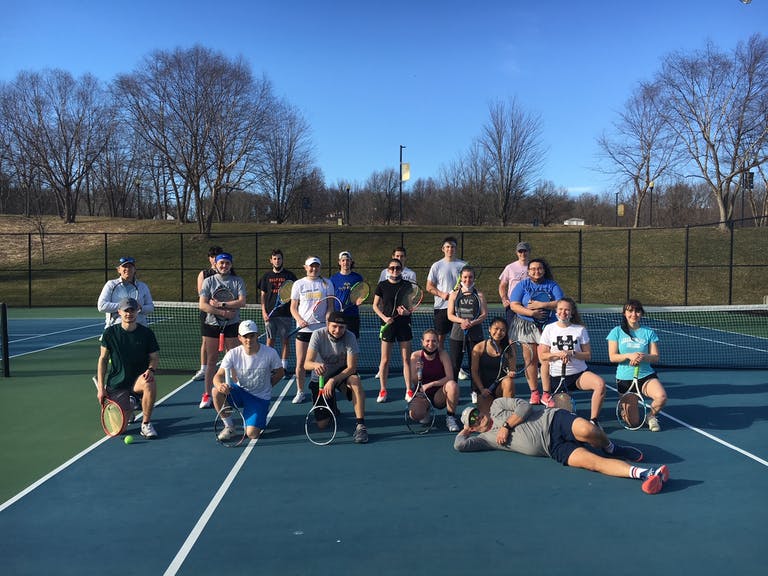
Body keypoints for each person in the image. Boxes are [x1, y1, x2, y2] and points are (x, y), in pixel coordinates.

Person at [454, 399, 670, 494]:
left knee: (589, 431)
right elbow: (459, 446)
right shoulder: (484, 439)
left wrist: (507, 426)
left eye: (476, 413)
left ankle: (611, 446)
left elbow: (525, 405)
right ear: (472, 428)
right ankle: (647, 474)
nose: (478, 418)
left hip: (554, 420)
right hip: (553, 449)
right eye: (472, 421)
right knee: (593, 463)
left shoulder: (497, 406)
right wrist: (465, 430)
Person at [96, 297, 160, 439]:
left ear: (137, 311)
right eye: (126, 311)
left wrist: (150, 370)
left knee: (150, 382)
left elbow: (154, 358)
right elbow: (103, 360)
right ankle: (130, 404)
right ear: (119, 312)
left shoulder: (146, 333)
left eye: (132, 310)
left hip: (138, 381)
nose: (129, 314)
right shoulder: (110, 333)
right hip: (117, 384)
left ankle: (146, 424)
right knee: (121, 430)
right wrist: (101, 388)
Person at [212, 320, 284, 441]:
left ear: (257, 335)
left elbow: (280, 373)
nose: (249, 340)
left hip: (260, 398)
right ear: (239, 338)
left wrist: (268, 386)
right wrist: (220, 385)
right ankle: (229, 427)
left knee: (252, 434)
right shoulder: (232, 354)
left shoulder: (270, 353)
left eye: (252, 336)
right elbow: (218, 375)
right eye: (245, 336)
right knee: (215, 392)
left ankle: (259, 413)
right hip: (239, 392)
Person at [539, 298, 606, 427]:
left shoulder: (580, 329)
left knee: (600, 384)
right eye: (560, 309)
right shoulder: (549, 329)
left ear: (572, 312)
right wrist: (558, 354)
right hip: (558, 379)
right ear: (556, 311)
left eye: (567, 310)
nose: (563, 312)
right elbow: (543, 355)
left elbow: (588, 355)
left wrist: (572, 353)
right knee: (566, 422)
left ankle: (594, 421)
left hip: (579, 375)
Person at [304, 311, 369, 443]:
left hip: (341, 373)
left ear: (346, 327)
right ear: (327, 324)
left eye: (341, 327)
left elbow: (352, 368)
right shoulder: (317, 334)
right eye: (334, 326)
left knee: (355, 381)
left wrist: (333, 381)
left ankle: (360, 426)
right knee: (322, 424)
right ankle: (332, 405)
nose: (337, 330)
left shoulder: (350, 337)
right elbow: (306, 363)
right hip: (321, 378)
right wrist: (316, 365)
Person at [606, 299, 668, 432]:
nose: (633, 314)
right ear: (624, 313)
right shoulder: (616, 332)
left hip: (646, 375)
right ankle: (625, 410)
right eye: (630, 311)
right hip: (625, 378)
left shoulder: (649, 332)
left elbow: (655, 357)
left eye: (637, 311)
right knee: (633, 423)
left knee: (661, 397)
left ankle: (650, 416)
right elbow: (612, 357)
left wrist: (642, 356)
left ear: (641, 314)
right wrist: (629, 355)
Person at [508, 258, 564, 406]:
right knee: (530, 360)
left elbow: (561, 303)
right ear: (528, 271)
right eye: (532, 269)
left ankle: (546, 394)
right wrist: (531, 313)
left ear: (544, 270)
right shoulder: (523, 285)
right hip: (526, 325)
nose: (536, 271)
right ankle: (534, 393)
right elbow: (514, 305)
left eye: (539, 268)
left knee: (545, 359)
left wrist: (543, 305)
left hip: (548, 326)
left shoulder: (552, 285)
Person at [198, 252, 247, 409]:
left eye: (227, 263)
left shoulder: (237, 281)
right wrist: (222, 312)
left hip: (232, 325)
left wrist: (222, 304)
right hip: (211, 325)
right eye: (221, 263)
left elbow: (242, 302)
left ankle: (236, 392)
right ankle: (207, 394)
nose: (224, 266)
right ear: (216, 265)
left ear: (231, 265)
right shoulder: (208, 281)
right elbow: (203, 305)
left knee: (233, 360)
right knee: (211, 361)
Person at [289, 256, 334, 404]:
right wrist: (300, 320)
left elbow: (330, 307)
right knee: (301, 363)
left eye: (316, 266)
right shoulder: (298, 284)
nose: (314, 269)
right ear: (305, 267)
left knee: (322, 364)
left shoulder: (327, 283)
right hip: (303, 330)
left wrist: (328, 320)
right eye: (311, 266)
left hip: (321, 330)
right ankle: (300, 391)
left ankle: (322, 390)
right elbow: (293, 308)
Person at [373, 258, 414, 402]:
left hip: (404, 325)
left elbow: (410, 306)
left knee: (406, 360)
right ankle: (383, 390)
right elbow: (375, 306)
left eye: (397, 268)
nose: (395, 270)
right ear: (388, 270)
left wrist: (406, 312)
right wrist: (384, 318)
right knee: (384, 360)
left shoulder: (407, 285)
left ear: (401, 269)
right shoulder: (382, 285)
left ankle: (409, 390)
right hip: (388, 326)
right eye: (392, 268)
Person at [409, 328, 461, 431]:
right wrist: (418, 371)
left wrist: (430, 384)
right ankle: (426, 410)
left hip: (439, 394)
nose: (431, 344)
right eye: (427, 341)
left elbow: (450, 377)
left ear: (438, 342)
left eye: (434, 341)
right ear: (422, 342)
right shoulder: (415, 356)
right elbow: (414, 381)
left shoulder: (443, 354)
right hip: (422, 393)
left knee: (452, 385)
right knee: (415, 415)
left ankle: (450, 417)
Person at [446, 265, 487, 393]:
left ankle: (474, 391)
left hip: (476, 335)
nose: (467, 280)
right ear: (461, 278)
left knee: (475, 365)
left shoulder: (479, 294)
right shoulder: (454, 294)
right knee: (454, 365)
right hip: (457, 335)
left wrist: (473, 322)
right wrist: (462, 321)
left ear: (474, 278)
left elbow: (484, 314)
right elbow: (450, 315)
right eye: (465, 277)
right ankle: (453, 391)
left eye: (470, 277)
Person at [426, 236, 467, 354]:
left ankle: (457, 367)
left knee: (458, 340)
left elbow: (469, 284)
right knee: (439, 340)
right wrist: (441, 294)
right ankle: (439, 365)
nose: (450, 249)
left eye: (452, 247)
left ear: (456, 249)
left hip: (459, 307)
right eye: (447, 247)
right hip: (441, 307)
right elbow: (429, 287)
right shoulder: (436, 266)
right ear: (443, 249)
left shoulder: (463, 265)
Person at [193, 246, 229, 381]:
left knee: (228, 342)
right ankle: (204, 368)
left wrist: (222, 305)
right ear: (209, 259)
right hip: (207, 313)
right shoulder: (204, 274)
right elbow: (201, 294)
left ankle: (227, 368)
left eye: (217, 256)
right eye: (212, 256)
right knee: (205, 342)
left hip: (225, 313)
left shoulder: (228, 273)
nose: (214, 259)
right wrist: (213, 305)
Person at [258, 248, 297, 371]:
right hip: (270, 315)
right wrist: (264, 312)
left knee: (285, 340)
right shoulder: (266, 276)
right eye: (274, 259)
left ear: (282, 260)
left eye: (279, 258)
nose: (277, 261)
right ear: (271, 260)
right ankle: (270, 366)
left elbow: (295, 295)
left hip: (285, 314)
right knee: (270, 341)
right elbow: (263, 296)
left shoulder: (290, 276)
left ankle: (284, 366)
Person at [471, 317, 516, 413]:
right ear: (489, 329)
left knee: (509, 381)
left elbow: (512, 369)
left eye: (502, 330)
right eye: (496, 329)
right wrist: (482, 389)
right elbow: (474, 371)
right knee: (486, 422)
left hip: (501, 388)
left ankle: (508, 413)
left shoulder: (509, 348)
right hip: (485, 390)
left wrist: (511, 373)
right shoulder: (478, 348)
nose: (499, 332)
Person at [97, 256, 154, 328]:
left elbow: (151, 307)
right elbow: (101, 306)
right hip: (115, 328)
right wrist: (124, 306)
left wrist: (140, 307)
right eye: (124, 266)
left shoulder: (143, 286)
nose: (127, 269)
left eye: (130, 266)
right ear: (119, 270)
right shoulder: (111, 285)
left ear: (134, 270)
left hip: (140, 328)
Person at [330, 250, 365, 338]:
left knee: (353, 341)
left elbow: (362, 293)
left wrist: (361, 298)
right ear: (339, 262)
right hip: (338, 315)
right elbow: (330, 296)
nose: (346, 262)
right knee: (337, 342)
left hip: (352, 314)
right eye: (343, 260)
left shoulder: (358, 277)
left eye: (348, 260)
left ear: (351, 262)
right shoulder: (333, 279)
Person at [498, 241, 531, 327]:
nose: (523, 253)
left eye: (525, 251)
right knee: (511, 331)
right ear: (517, 253)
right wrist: (504, 298)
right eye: (520, 251)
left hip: (529, 305)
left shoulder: (533, 268)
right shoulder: (510, 267)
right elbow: (502, 285)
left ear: (529, 252)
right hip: (513, 304)